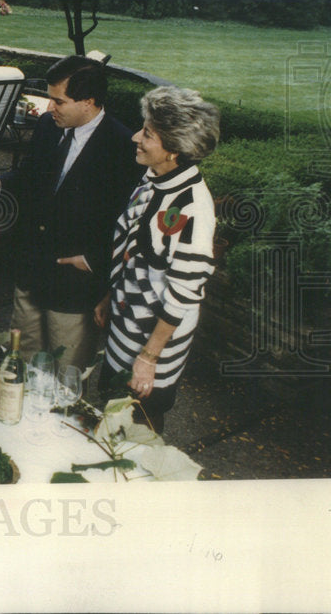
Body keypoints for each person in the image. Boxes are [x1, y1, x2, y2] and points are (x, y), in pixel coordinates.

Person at [0, 56, 142, 367]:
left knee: (66, 376)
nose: (50, 108)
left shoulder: (125, 146)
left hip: (73, 288)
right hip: (29, 273)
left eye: (58, 101)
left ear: (88, 102)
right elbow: (30, 178)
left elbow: (132, 221)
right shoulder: (47, 127)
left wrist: (95, 260)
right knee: (21, 366)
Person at [93, 86, 220, 434]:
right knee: (113, 407)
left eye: (147, 133)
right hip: (126, 321)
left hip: (152, 342)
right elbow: (134, 247)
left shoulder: (193, 207)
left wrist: (148, 360)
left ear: (175, 150)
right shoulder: (156, 177)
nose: (136, 137)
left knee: (140, 423)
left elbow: (183, 293)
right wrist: (110, 295)